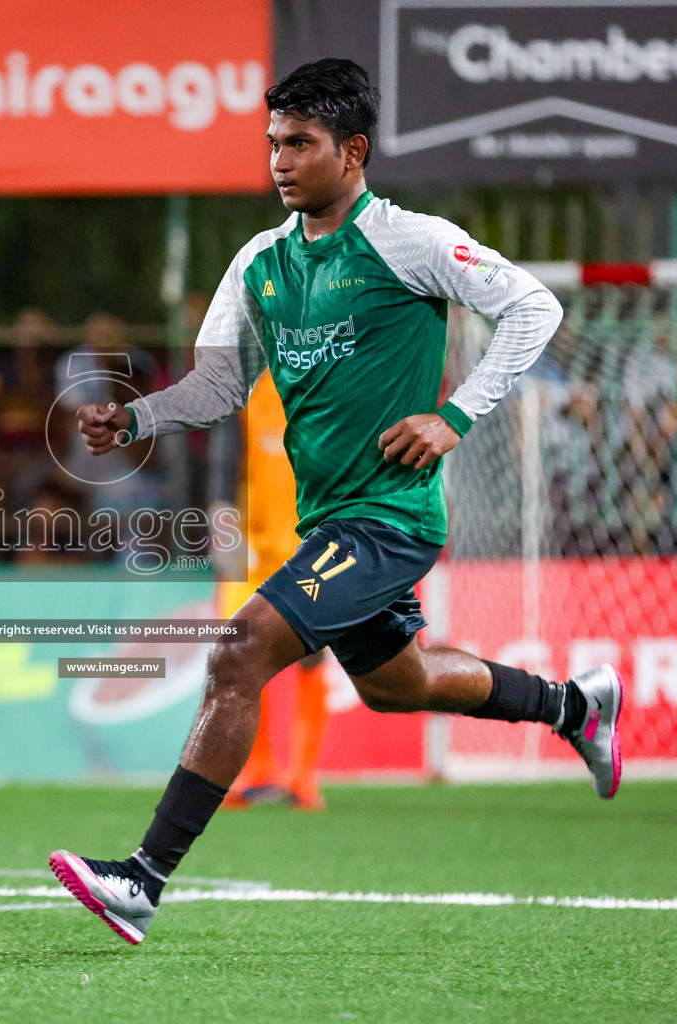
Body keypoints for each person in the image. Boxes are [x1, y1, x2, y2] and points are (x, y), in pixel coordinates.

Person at [49, 58, 621, 946]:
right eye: (273, 142)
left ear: (353, 151)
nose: (280, 160)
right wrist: (140, 416)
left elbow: (534, 308)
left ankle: (143, 879)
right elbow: (217, 387)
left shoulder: (412, 241)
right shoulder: (259, 261)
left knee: (239, 651)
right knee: (403, 684)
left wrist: (455, 416)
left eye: (301, 143)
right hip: (334, 522)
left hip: (390, 518)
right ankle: (574, 707)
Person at [217, 373, 331, 813]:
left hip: (308, 536)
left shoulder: (322, 378)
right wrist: (219, 517)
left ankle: (303, 776)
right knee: (238, 648)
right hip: (249, 542)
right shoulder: (242, 383)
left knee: (311, 652)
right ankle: (255, 771)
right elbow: (223, 459)